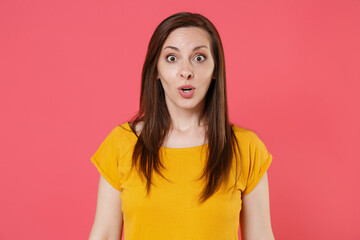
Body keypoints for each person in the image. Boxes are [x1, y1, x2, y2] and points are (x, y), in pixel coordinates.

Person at [88, 12, 275, 240]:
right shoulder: (121, 144)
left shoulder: (246, 148)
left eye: (199, 58)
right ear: (156, 69)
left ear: (216, 69)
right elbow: (105, 235)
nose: (186, 71)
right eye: (172, 58)